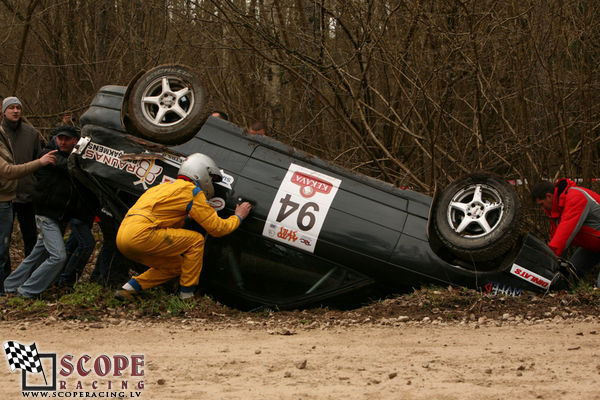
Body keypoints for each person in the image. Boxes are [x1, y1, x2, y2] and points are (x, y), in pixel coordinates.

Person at [114, 153, 252, 300]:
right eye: (211, 178)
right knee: (196, 240)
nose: (211, 182)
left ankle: (127, 290)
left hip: (123, 236)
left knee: (176, 266)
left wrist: (186, 218)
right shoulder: (191, 191)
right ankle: (187, 295)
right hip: (142, 235)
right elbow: (217, 228)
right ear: (202, 173)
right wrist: (238, 216)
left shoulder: (163, 187)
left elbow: (162, 218)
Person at [4, 126, 80, 298]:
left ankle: (10, 284)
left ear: (75, 140)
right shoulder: (51, 156)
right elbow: (65, 165)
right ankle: (27, 290)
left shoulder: (72, 158)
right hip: (46, 215)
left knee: (38, 253)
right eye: (60, 138)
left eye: (66, 139)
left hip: (58, 217)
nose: (62, 142)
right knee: (58, 257)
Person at [0, 121, 57, 293]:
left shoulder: (7, 135)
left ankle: (7, 285)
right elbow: (8, 171)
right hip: (3, 201)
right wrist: (40, 162)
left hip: (13, 198)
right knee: (2, 248)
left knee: (25, 242)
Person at [532, 179, 600, 286]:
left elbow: (562, 237)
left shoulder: (575, 197)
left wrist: (544, 264)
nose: (542, 208)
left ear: (549, 196)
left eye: (541, 204)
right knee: (568, 275)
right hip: (593, 246)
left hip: (595, 244)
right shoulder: (556, 211)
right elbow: (556, 240)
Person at [1, 97, 42, 258]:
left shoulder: (31, 133)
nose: (15, 111)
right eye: (11, 108)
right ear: (4, 111)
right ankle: (5, 277)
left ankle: (29, 274)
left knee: (31, 236)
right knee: (4, 240)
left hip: (27, 194)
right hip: (5, 196)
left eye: (18, 107)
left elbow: (38, 159)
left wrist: (37, 186)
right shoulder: (1, 134)